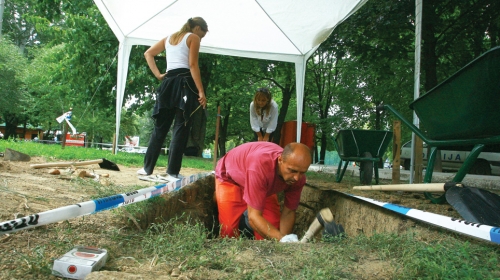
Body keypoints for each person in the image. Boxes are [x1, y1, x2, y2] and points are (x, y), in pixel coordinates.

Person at [137, 17, 208, 179]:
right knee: (181, 127)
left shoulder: (168, 38)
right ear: (197, 28)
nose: (201, 38)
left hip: (168, 83)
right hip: (184, 83)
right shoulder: (193, 37)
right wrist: (201, 91)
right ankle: (172, 172)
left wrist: (159, 75)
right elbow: (193, 65)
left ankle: (147, 169)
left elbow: (148, 53)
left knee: (160, 127)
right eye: (202, 35)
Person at [215, 142, 312, 242]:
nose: (297, 178)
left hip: (262, 185)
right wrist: (281, 239)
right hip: (231, 179)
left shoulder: (298, 179)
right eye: (292, 171)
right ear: (280, 160)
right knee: (229, 231)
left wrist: (284, 241)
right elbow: (253, 217)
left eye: (302, 172)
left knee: (273, 227)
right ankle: (217, 196)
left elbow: (289, 212)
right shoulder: (260, 168)